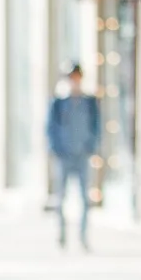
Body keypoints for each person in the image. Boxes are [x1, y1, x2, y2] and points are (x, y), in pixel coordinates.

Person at [46, 64, 101, 250]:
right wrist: (57, 149)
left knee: (85, 199)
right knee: (61, 197)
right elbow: (51, 128)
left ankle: (83, 237)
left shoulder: (89, 102)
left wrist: (90, 147)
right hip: (64, 156)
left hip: (82, 156)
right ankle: (61, 236)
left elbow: (96, 127)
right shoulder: (59, 103)